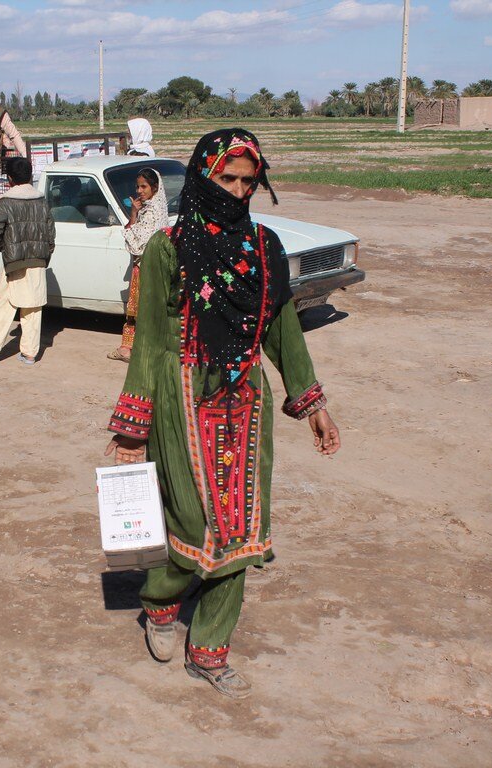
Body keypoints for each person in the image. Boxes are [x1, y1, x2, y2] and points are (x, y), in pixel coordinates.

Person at [104, 129, 341, 699]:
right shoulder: (166, 248)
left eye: (247, 181)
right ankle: (161, 602)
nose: (236, 191)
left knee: (240, 529)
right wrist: (133, 428)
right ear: (203, 177)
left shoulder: (264, 247)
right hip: (180, 392)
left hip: (245, 402)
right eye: (225, 178)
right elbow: (152, 343)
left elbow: (280, 327)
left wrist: (312, 403)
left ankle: (210, 650)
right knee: (191, 522)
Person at [0, 157, 53, 366]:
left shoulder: (6, 201)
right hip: (37, 260)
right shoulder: (41, 200)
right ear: (30, 175)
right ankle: (30, 354)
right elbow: (50, 233)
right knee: (33, 306)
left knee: (4, 305)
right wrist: (45, 254)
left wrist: (5, 248)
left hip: (13, 262)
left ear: (9, 179)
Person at [108, 167, 168, 362]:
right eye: (138, 187)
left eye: (144, 187)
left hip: (146, 269)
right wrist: (135, 212)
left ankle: (135, 349)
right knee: (139, 310)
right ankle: (129, 348)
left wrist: (133, 214)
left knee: (140, 310)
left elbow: (136, 244)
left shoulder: (152, 212)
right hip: (147, 267)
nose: (140, 191)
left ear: (155, 187)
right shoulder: (150, 208)